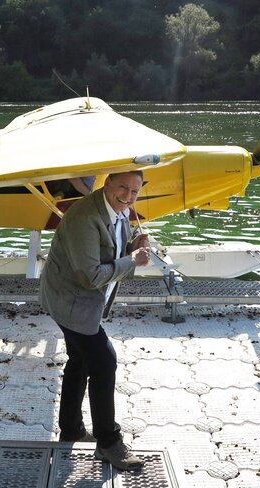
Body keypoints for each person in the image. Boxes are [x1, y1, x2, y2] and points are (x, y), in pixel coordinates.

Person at [40, 170, 151, 470]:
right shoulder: (84, 218)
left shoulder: (120, 211)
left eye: (135, 191)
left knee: (80, 359)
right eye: (123, 188)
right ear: (106, 184)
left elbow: (110, 251)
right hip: (70, 301)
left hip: (78, 298)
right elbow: (89, 276)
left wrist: (132, 246)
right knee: (104, 361)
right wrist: (133, 261)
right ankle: (108, 443)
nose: (128, 196)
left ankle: (71, 429)